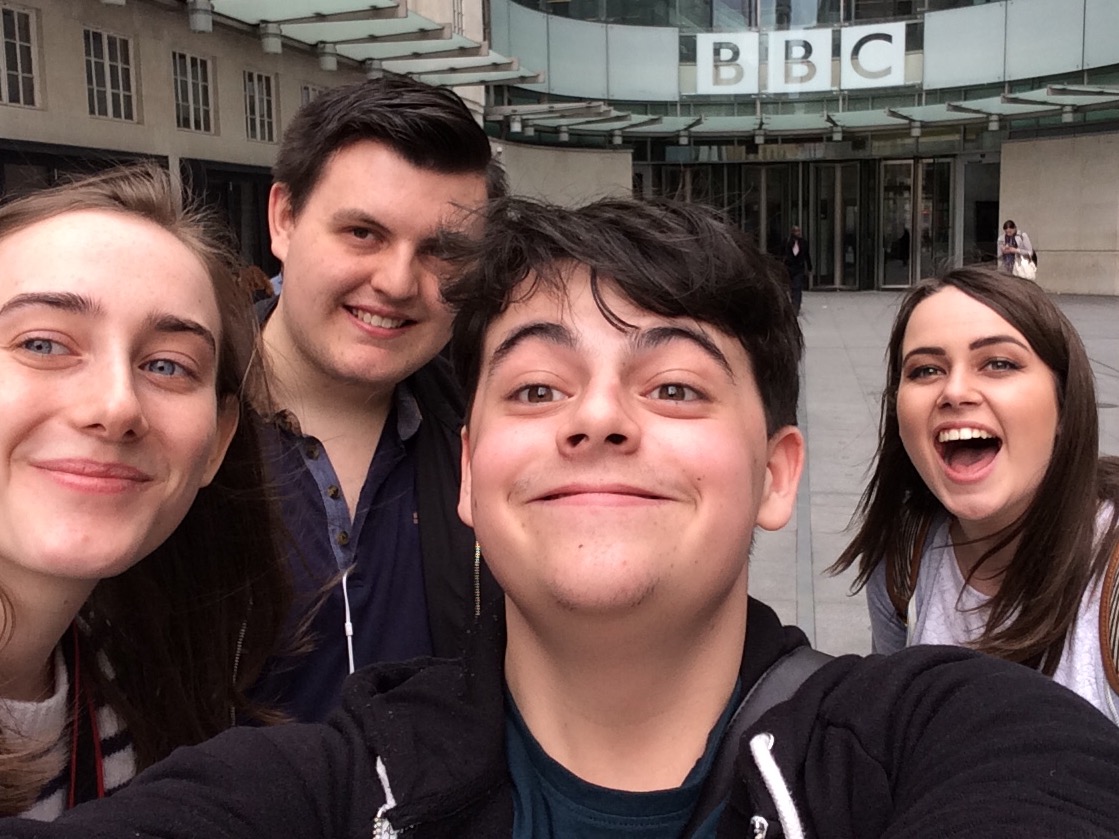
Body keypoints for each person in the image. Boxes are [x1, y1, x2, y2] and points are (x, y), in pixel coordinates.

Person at [3, 198, 1118, 839]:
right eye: (536, 387)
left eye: (674, 386)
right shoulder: (323, 785)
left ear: (778, 472)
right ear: (470, 474)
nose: (597, 418)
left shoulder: (945, 736)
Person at [0, 163, 290, 819]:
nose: (116, 405)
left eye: (167, 364)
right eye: (43, 342)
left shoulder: (141, 692)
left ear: (216, 443)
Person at [248, 77, 505, 723]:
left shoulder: (499, 429)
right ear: (283, 219)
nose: (395, 282)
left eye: (443, 251)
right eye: (363, 232)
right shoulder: (163, 423)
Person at [831, 267, 1119, 723]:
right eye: (925, 370)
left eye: (999, 364)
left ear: (1065, 402)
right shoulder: (904, 555)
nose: (955, 391)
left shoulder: (1110, 586)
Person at [781, 224, 811, 314]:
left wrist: (809, 267)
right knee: (790, 287)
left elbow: (807, 255)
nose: (798, 233)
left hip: (799, 268)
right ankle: (791, 304)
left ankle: (796, 306)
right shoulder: (786, 242)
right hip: (789, 267)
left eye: (799, 231)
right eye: (796, 231)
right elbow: (781, 253)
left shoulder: (804, 243)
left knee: (797, 287)